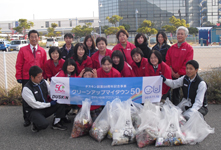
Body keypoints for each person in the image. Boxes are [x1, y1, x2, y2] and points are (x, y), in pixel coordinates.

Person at [15, 30, 47, 127]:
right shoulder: (23, 50)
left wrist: (43, 77)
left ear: (38, 38)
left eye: (35, 36)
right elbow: (19, 64)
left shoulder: (42, 51)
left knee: (39, 97)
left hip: (38, 79)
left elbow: (44, 65)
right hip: (26, 78)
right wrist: (19, 76)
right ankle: (27, 118)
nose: (34, 39)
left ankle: (39, 116)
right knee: (26, 100)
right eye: (32, 37)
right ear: (28, 38)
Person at [22, 66, 67, 132]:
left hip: (45, 107)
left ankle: (56, 123)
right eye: (38, 77)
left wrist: (59, 97)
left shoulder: (44, 82)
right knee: (44, 124)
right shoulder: (26, 89)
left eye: (41, 76)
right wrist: (49, 104)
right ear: (32, 77)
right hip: (34, 110)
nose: (41, 78)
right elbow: (34, 105)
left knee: (60, 102)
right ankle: (35, 123)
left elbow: (51, 92)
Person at [166, 26, 194, 105]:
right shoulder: (172, 48)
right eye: (178, 34)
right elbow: (168, 61)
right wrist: (172, 72)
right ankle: (175, 110)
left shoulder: (189, 48)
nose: (180, 35)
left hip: (184, 75)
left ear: (186, 36)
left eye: (182, 34)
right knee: (174, 94)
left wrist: (179, 73)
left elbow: (188, 63)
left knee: (186, 94)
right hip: (172, 74)